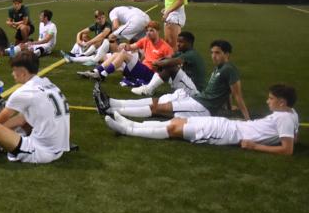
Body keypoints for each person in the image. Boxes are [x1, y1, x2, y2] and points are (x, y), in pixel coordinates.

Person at [104, 84, 298, 156]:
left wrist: (256, 146)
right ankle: (130, 124)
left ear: (281, 102)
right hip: (231, 126)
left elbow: (287, 150)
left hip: (230, 135)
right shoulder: (291, 114)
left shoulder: (285, 119)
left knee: (174, 129)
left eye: (271, 99)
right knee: (179, 121)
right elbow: (292, 139)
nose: (267, 101)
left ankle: (127, 130)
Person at [98, 40, 250, 121]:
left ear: (227, 54)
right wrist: (229, 109)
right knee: (155, 102)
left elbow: (237, 94)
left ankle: (111, 110)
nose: (213, 56)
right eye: (212, 53)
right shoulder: (219, 68)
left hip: (201, 106)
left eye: (218, 53)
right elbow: (227, 93)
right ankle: (111, 102)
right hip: (197, 99)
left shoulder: (229, 69)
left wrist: (247, 118)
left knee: (158, 109)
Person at [0, 51, 71, 163]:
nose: (12, 74)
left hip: (42, 151)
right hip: (59, 148)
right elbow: (21, 120)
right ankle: (7, 139)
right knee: (23, 118)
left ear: (23, 73)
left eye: (14, 71)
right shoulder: (48, 83)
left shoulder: (24, 92)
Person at [78, 21, 173, 86]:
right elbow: (131, 47)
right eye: (147, 30)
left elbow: (171, 65)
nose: (148, 33)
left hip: (150, 73)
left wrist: (160, 65)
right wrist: (125, 45)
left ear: (158, 32)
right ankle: (96, 72)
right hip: (140, 69)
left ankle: (102, 75)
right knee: (116, 54)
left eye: (152, 30)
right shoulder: (146, 40)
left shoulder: (166, 47)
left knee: (123, 54)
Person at [131, 31, 206, 97]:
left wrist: (158, 63)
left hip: (195, 91)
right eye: (177, 41)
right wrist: (159, 62)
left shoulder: (191, 54)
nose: (178, 44)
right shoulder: (182, 52)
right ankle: (150, 88)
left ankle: (148, 89)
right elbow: (167, 58)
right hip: (187, 84)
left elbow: (172, 62)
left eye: (181, 42)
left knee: (170, 66)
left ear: (189, 43)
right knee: (165, 64)